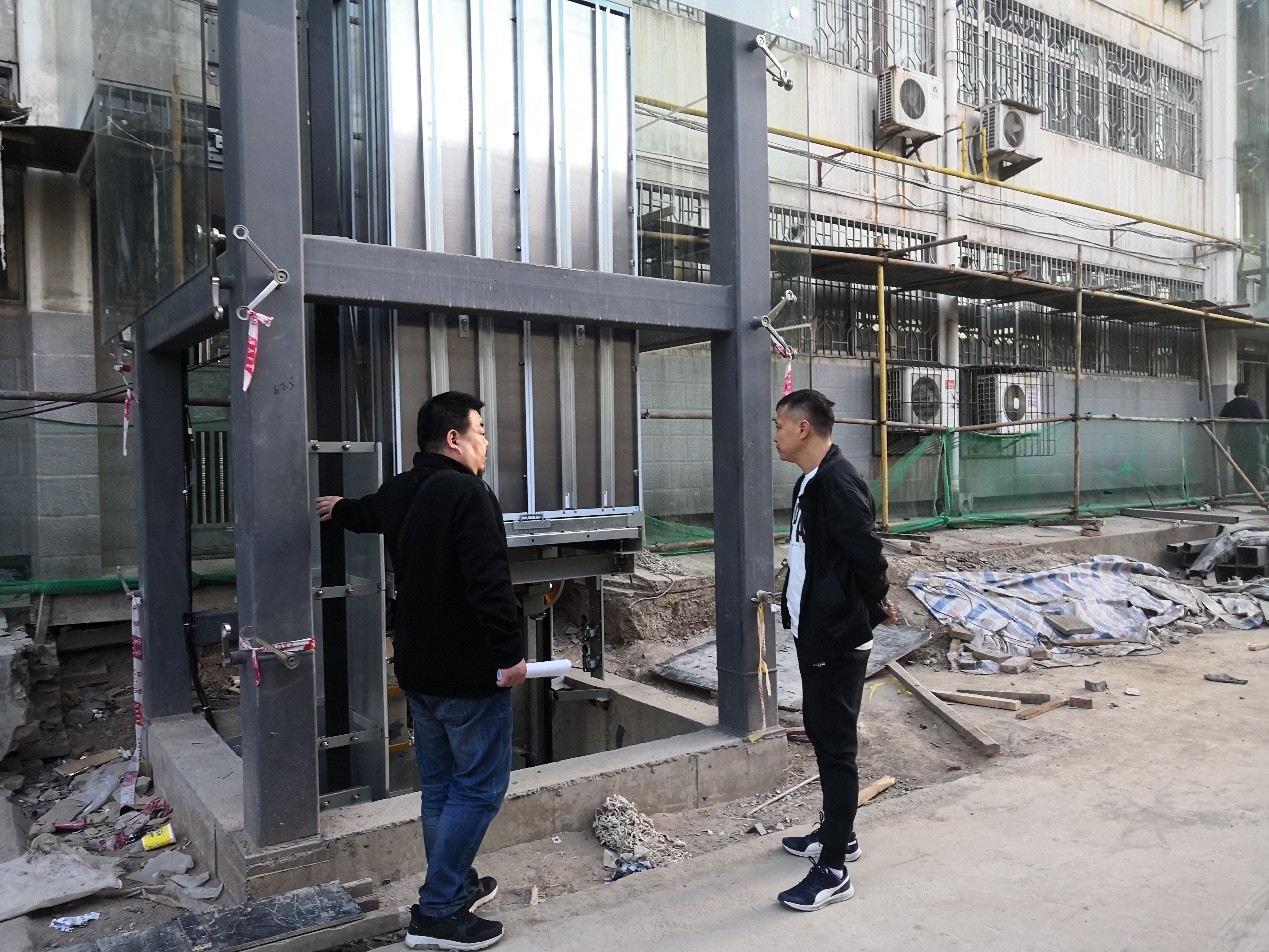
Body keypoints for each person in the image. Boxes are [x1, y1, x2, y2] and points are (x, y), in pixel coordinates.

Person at [316, 391, 526, 951]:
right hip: (468, 674)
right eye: (480, 431)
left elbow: (364, 512)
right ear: (454, 439)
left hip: (418, 671)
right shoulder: (470, 495)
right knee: (478, 789)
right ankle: (437, 912)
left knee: (440, 788)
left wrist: (336, 507)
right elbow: (490, 583)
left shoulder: (400, 489)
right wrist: (510, 656)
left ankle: (455, 885)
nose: (486, 442)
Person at [771, 388, 895, 913]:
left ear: (803, 428)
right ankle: (838, 835)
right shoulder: (810, 481)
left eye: (779, 425)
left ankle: (834, 871)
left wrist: (873, 605)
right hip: (815, 631)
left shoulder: (839, 482)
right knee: (821, 734)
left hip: (837, 638)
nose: (775, 435)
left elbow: (869, 556)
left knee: (836, 746)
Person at [1218, 382, 1265, 492]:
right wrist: (1264, 435)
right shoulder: (1252, 404)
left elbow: (1221, 420)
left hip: (1235, 440)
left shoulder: (1229, 405)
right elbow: (1260, 420)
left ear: (1235, 392)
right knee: (1254, 462)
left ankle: (1239, 489)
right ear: (1247, 392)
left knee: (1237, 464)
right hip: (1251, 439)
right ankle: (1253, 488)